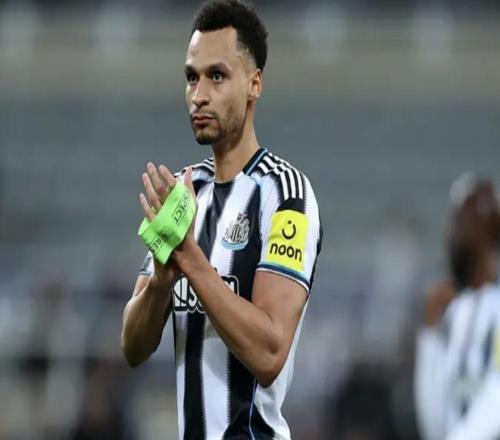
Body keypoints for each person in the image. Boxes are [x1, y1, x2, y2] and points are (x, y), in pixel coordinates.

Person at [121, 1, 322, 439]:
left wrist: (190, 259)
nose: (199, 95)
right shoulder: (183, 193)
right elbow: (132, 347)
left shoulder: (286, 195)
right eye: (191, 77)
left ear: (254, 84)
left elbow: (269, 354)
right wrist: (160, 282)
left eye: (216, 76)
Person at [415, 174, 500, 440]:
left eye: (461, 217)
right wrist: (429, 337)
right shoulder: (453, 312)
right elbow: (434, 420)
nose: (452, 232)